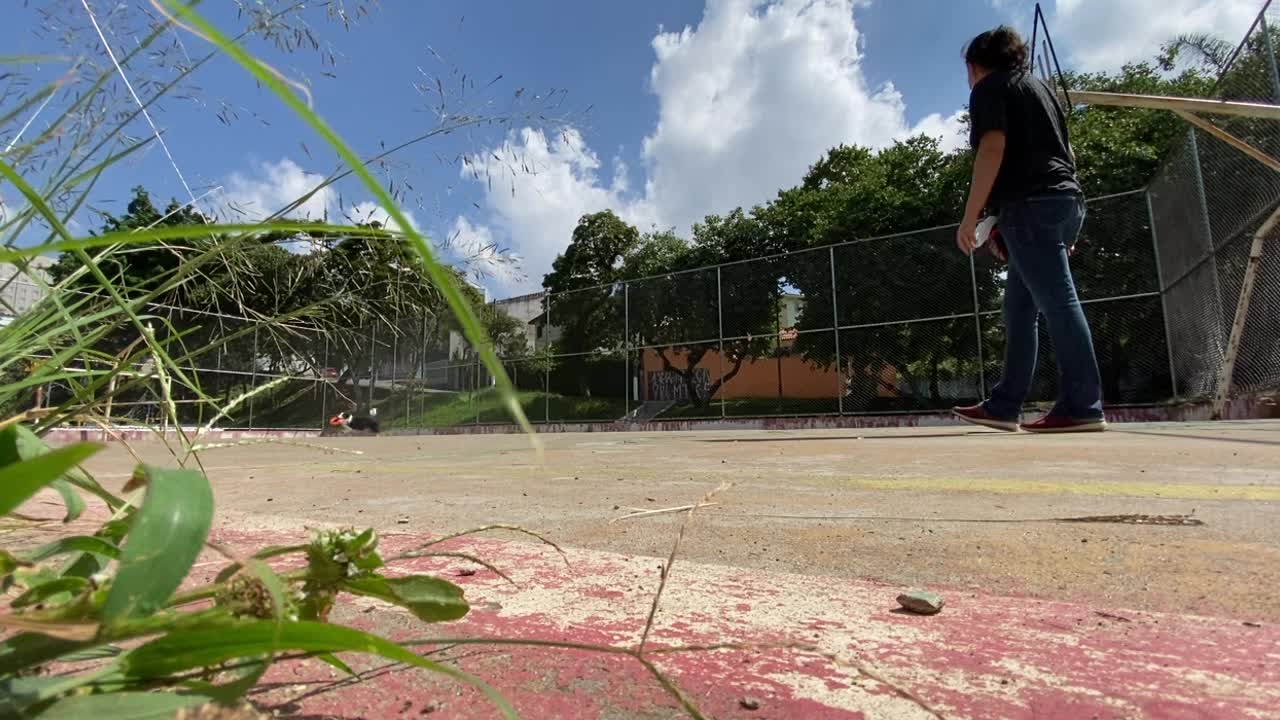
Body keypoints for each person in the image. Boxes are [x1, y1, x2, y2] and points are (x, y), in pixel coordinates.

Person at [952, 26, 1107, 433]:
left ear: (973, 66)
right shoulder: (1041, 91)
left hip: (1030, 205)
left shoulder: (989, 88)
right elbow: (1067, 152)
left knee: (1058, 301)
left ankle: (1082, 404)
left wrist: (971, 217)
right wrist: (1062, 223)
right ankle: (1005, 405)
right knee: (1020, 309)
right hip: (1065, 200)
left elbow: (992, 147)